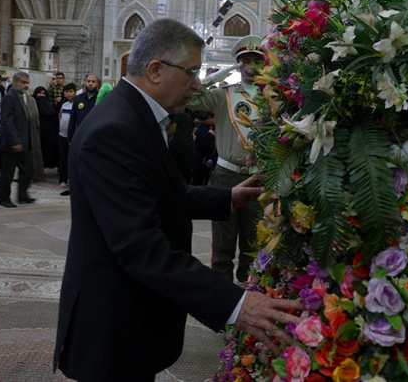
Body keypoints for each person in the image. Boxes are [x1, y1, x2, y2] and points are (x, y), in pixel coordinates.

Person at [53, 19, 303, 382]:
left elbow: (160, 194)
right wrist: (234, 305)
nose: (198, 85)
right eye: (192, 73)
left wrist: (226, 197)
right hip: (112, 321)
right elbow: (139, 245)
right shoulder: (115, 129)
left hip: (133, 312)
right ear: (156, 70)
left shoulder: (134, 115)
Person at [188, 35, 265, 283]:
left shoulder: (274, 95)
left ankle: (248, 296)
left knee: (253, 247)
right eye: (244, 61)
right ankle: (222, 302)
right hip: (225, 177)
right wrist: (222, 74)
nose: (250, 67)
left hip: (258, 178)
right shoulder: (224, 95)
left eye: (256, 61)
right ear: (238, 65)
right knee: (222, 247)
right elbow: (193, 98)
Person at [0, 72, 35, 208]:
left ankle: (22, 195)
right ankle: (4, 198)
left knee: (28, 169)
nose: (26, 85)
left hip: (22, 142)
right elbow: (7, 121)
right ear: (15, 83)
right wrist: (15, 141)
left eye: (27, 83)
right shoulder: (9, 97)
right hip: (11, 143)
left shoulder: (21, 97)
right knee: (8, 173)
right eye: (23, 82)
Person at [66, 74, 99, 142]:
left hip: (95, 137)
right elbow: (72, 120)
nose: (90, 83)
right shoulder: (78, 99)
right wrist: (70, 139)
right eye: (88, 81)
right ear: (85, 83)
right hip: (81, 136)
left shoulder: (101, 99)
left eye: (93, 82)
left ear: (97, 84)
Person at [56, 82, 76, 194]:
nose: (68, 94)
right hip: (62, 135)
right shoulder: (64, 105)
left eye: (70, 92)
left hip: (73, 136)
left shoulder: (77, 104)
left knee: (71, 158)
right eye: (66, 92)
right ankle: (63, 179)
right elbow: (60, 115)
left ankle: (71, 179)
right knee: (63, 158)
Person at [33, 86, 59, 169]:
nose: (41, 95)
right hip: (35, 131)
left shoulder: (49, 105)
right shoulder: (32, 104)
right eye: (39, 93)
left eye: (43, 93)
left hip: (47, 133)